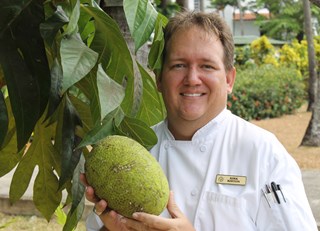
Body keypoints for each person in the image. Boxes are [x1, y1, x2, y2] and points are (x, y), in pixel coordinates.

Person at [82, 11, 318, 231]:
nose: (192, 79)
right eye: (179, 65)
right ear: (159, 79)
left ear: (229, 79)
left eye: (207, 66)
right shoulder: (133, 153)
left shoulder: (263, 153)